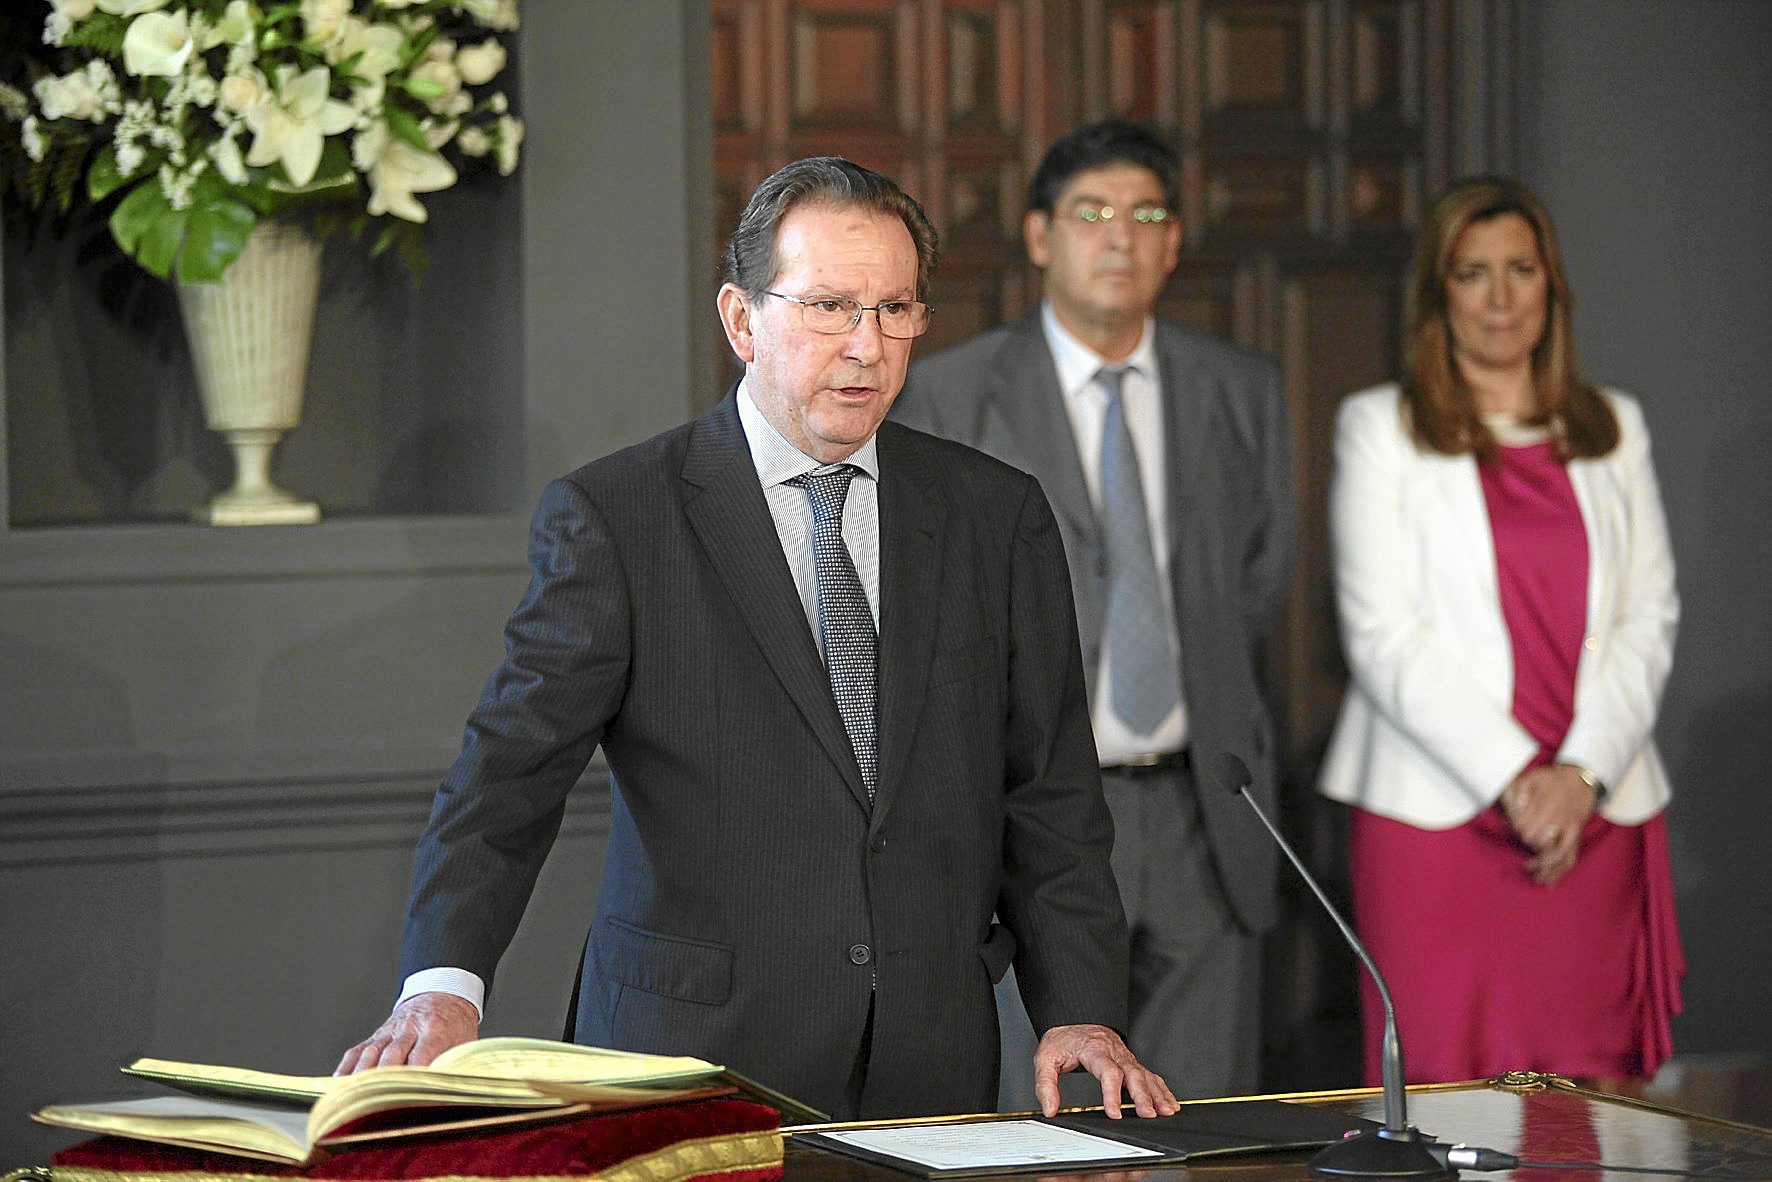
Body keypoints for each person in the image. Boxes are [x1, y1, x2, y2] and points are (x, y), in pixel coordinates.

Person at [335, 156, 1178, 1123]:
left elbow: (1050, 795)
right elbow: (507, 775)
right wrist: (443, 985)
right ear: (742, 321)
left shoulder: (997, 516)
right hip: (690, 1061)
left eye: (894, 309)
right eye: (829, 307)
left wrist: (1078, 1010)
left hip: (928, 1060)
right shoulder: (620, 516)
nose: (867, 347)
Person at [895, 119, 1294, 1103]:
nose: (1119, 237)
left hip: (1206, 814)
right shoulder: (949, 394)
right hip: (1031, 819)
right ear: (1039, 235)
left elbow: (1259, 576)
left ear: (1174, 240)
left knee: (1206, 1126)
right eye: (1091, 213)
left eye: (1145, 216)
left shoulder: (1241, 387)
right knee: (1053, 1124)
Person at [1318, 176, 1684, 1087]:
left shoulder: (1615, 427)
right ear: (1438, 294)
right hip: (1437, 817)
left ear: (1552, 285)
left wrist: (1580, 777)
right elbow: (1380, 635)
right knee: (1445, 1092)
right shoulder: (1379, 428)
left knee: (1592, 1105)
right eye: (1472, 273)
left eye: (1521, 269)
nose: (1500, 298)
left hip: (1596, 813)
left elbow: (1650, 616)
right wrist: (1520, 782)